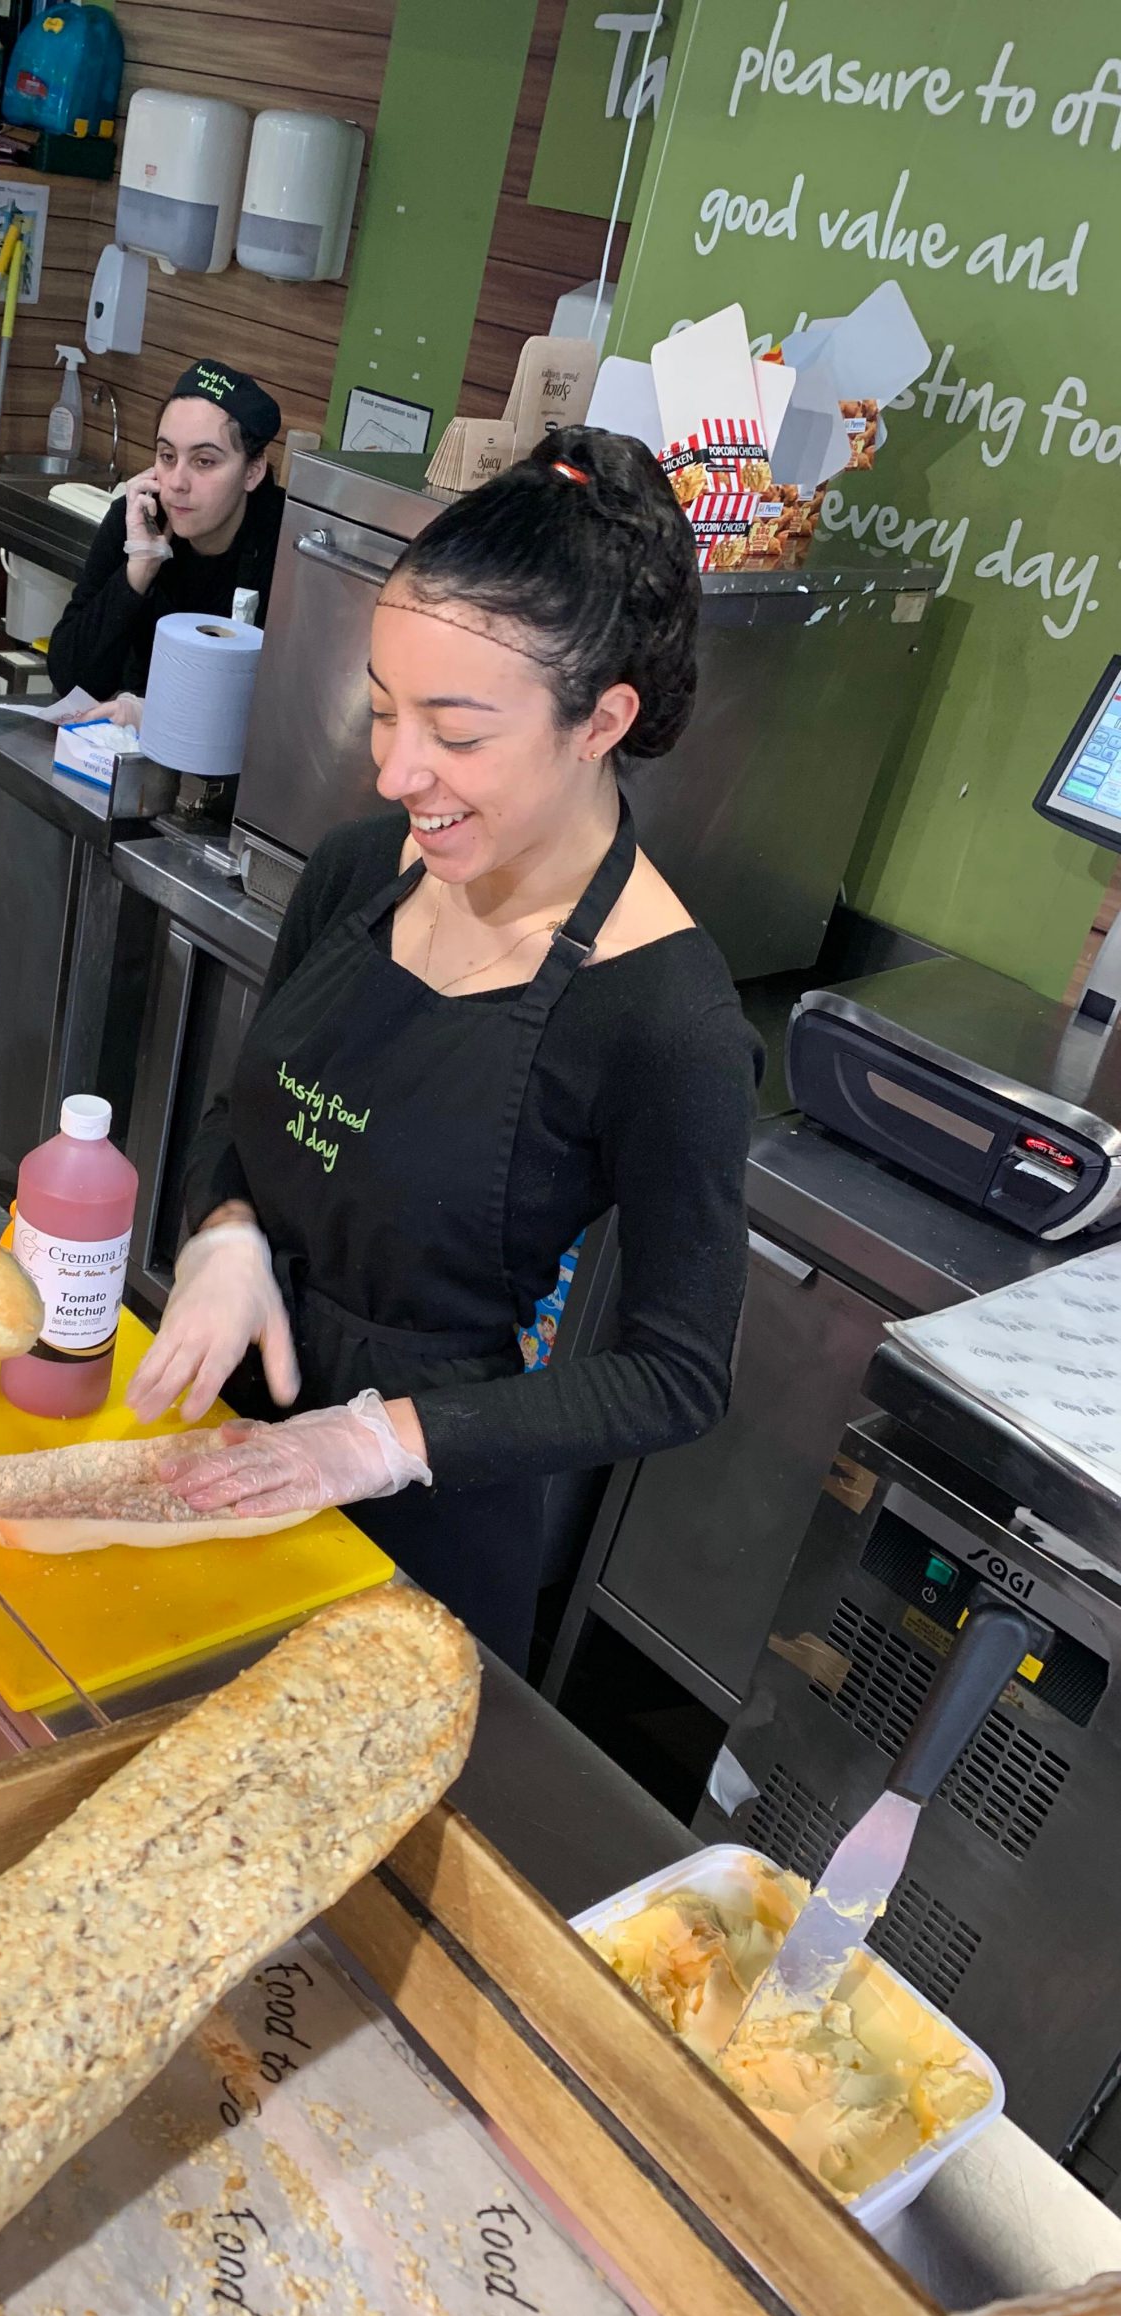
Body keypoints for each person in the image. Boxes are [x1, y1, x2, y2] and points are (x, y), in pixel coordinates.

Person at [124, 426, 761, 1673]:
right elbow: (248, 1115)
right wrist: (225, 1234)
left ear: (601, 720)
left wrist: (370, 1442)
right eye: (383, 711)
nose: (397, 772)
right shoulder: (361, 872)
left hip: (426, 1515)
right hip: (233, 1440)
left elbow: (676, 1372)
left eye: (457, 735)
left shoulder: (664, 1015)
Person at [46, 360, 285, 702]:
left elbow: (282, 701)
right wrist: (139, 568)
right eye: (167, 456)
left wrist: (152, 712)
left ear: (253, 471)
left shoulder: (285, 544)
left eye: (204, 461)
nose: (176, 483)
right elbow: (70, 677)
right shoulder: (137, 518)